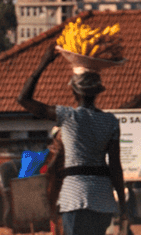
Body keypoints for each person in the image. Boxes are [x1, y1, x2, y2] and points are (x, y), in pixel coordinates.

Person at [18, 44, 126, 235]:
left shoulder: (67, 116)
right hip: (102, 199)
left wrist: (43, 63)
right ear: (98, 92)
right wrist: (124, 204)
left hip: (74, 197)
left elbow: (24, 99)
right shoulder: (111, 121)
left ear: (74, 92)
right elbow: (115, 166)